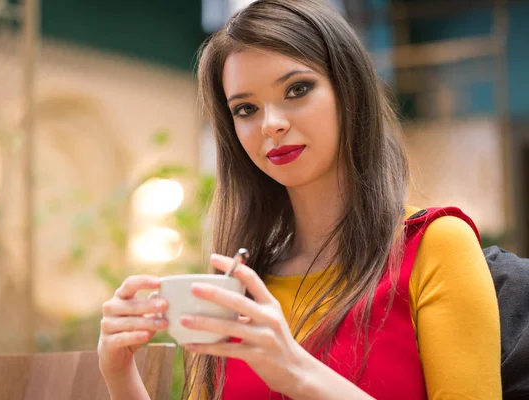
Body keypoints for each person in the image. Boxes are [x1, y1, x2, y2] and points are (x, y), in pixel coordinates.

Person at [97, 0, 502, 399]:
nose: (271, 124)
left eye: (297, 89)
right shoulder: (240, 282)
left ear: (350, 92)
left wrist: (296, 372)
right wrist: (120, 376)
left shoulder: (434, 246)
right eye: (246, 109)